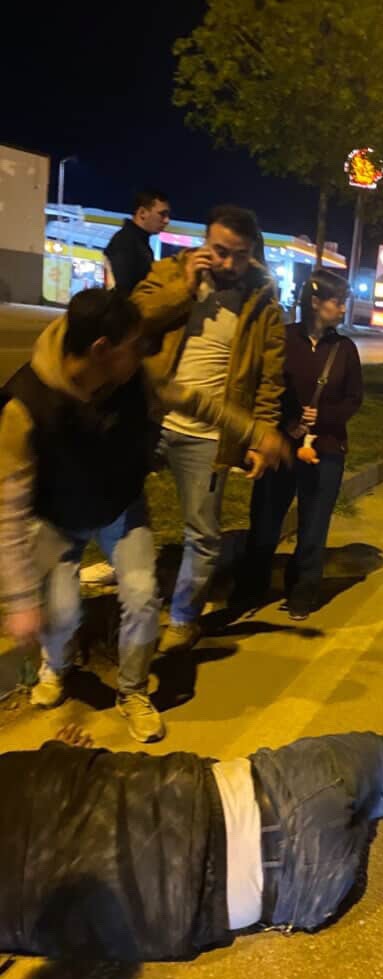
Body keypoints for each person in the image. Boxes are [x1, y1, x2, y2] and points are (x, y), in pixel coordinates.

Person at [0, 290, 288, 743]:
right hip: (57, 519)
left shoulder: (135, 381)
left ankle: (132, 691)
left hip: (119, 507)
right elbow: (9, 511)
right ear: (101, 349)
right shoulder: (25, 405)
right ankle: (55, 666)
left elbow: (196, 402)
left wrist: (254, 431)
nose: (143, 354)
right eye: (133, 345)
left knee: (141, 597)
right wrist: (20, 600)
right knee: (62, 612)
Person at [0, 722, 383, 962]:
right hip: (272, 807)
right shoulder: (16, 774)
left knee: (365, 794)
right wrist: (62, 754)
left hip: (295, 900)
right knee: (374, 759)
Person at [132, 204, 286, 653]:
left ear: (252, 252)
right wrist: (184, 288)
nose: (228, 263)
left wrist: (259, 435)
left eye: (240, 254)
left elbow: (270, 378)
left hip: (209, 436)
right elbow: (134, 319)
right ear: (205, 242)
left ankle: (183, 618)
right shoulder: (168, 273)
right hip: (151, 417)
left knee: (203, 534)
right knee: (117, 509)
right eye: (220, 250)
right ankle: (130, 594)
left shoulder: (263, 303)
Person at [240, 269, 363, 620]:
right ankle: (251, 587)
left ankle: (303, 591)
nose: (343, 309)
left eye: (344, 302)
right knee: (265, 521)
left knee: (314, 525)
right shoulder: (282, 338)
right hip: (280, 445)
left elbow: (354, 398)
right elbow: (264, 387)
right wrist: (285, 421)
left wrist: (324, 416)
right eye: (337, 302)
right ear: (315, 302)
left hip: (326, 449)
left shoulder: (344, 349)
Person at [104, 190, 171, 294]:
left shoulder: (135, 241)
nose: (167, 220)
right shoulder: (126, 242)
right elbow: (123, 290)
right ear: (142, 213)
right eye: (162, 214)